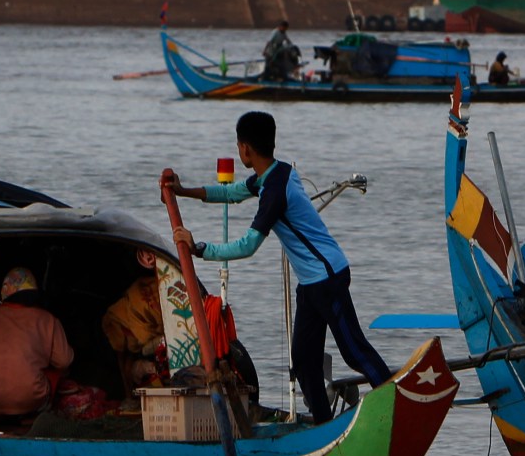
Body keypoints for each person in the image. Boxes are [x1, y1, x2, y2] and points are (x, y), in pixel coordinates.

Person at [165, 111, 389, 422]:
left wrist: (199, 248)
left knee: (354, 351)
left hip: (328, 278)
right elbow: (231, 193)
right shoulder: (274, 173)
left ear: (245, 148)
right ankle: (325, 427)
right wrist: (184, 191)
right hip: (311, 285)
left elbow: (248, 245)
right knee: (303, 361)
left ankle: (396, 408)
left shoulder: (274, 191)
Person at [0, 267, 74, 422]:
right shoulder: (48, 320)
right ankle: (29, 418)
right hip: (30, 401)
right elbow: (64, 361)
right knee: (55, 374)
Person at [100, 249, 169, 396]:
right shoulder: (122, 315)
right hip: (125, 327)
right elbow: (144, 337)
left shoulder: (159, 289)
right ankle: (128, 395)